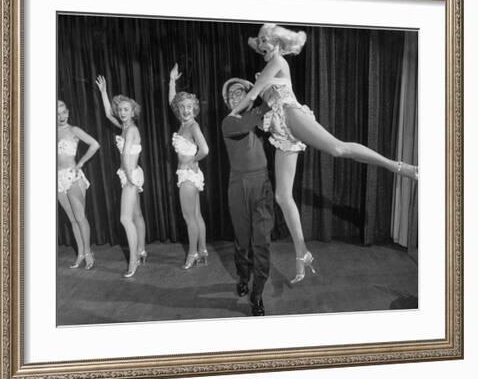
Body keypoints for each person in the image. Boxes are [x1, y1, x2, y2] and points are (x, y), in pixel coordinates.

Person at [230, 23, 419, 284]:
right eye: (261, 40)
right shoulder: (266, 68)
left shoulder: (277, 62)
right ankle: (302, 253)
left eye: (268, 40)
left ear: (279, 43)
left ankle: (398, 166)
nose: (263, 44)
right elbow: (261, 103)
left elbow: (252, 95)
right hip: (281, 130)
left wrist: (231, 114)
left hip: (292, 115)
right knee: (282, 195)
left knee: (337, 148)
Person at [221, 77, 275, 316]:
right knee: (243, 242)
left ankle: (258, 292)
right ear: (227, 101)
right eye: (231, 94)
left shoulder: (256, 117)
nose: (236, 95)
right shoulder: (229, 122)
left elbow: (270, 106)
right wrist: (257, 94)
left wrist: (258, 92)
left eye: (240, 92)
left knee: (261, 242)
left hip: (261, 183)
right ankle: (244, 276)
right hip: (238, 186)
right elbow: (248, 121)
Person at [96, 75, 147, 278]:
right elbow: (109, 114)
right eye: (121, 110)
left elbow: (126, 155)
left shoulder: (132, 129)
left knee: (125, 218)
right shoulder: (124, 126)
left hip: (130, 175)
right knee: (137, 215)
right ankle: (142, 250)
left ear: (133, 111)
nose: (122, 113)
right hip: (130, 173)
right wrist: (103, 92)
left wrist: (128, 178)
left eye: (126, 110)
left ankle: (134, 259)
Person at [168, 64, 209, 269]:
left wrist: (192, 161)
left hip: (188, 175)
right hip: (189, 174)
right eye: (182, 107)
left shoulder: (192, 125)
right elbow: (171, 101)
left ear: (194, 109)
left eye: (189, 107)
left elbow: (205, 150)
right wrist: (172, 81)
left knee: (188, 217)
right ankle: (202, 251)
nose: (185, 110)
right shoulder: (183, 123)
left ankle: (192, 254)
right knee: (197, 215)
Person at [57, 100, 100, 270]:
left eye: (63, 112)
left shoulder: (73, 130)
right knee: (72, 219)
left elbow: (95, 144)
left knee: (80, 217)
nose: (61, 116)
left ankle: (89, 253)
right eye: (57, 113)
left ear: (68, 112)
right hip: (57, 179)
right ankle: (80, 253)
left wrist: (81, 162)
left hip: (73, 177)